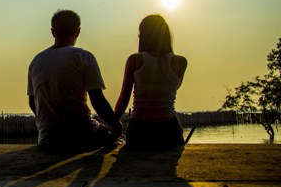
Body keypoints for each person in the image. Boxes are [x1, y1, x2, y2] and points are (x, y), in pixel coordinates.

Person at [27, 9, 122, 152]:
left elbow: (33, 102)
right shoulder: (84, 57)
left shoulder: (36, 61)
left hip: (47, 139)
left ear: (52, 32)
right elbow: (97, 100)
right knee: (106, 133)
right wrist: (117, 127)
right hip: (82, 136)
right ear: (77, 32)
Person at [113, 14, 188, 150]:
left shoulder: (135, 60)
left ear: (143, 36)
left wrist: (113, 125)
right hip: (170, 129)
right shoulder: (180, 62)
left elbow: (124, 99)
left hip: (140, 129)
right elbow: (171, 91)